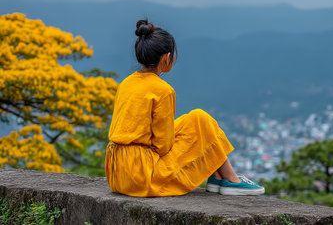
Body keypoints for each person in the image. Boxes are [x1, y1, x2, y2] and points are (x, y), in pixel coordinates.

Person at [105, 19, 265, 197]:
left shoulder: (126, 83)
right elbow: (163, 147)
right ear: (166, 58)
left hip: (117, 173)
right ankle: (231, 179)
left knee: (197, 118)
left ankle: (218, 177)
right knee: (201, 123)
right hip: (143, 175)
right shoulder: (163, 90)